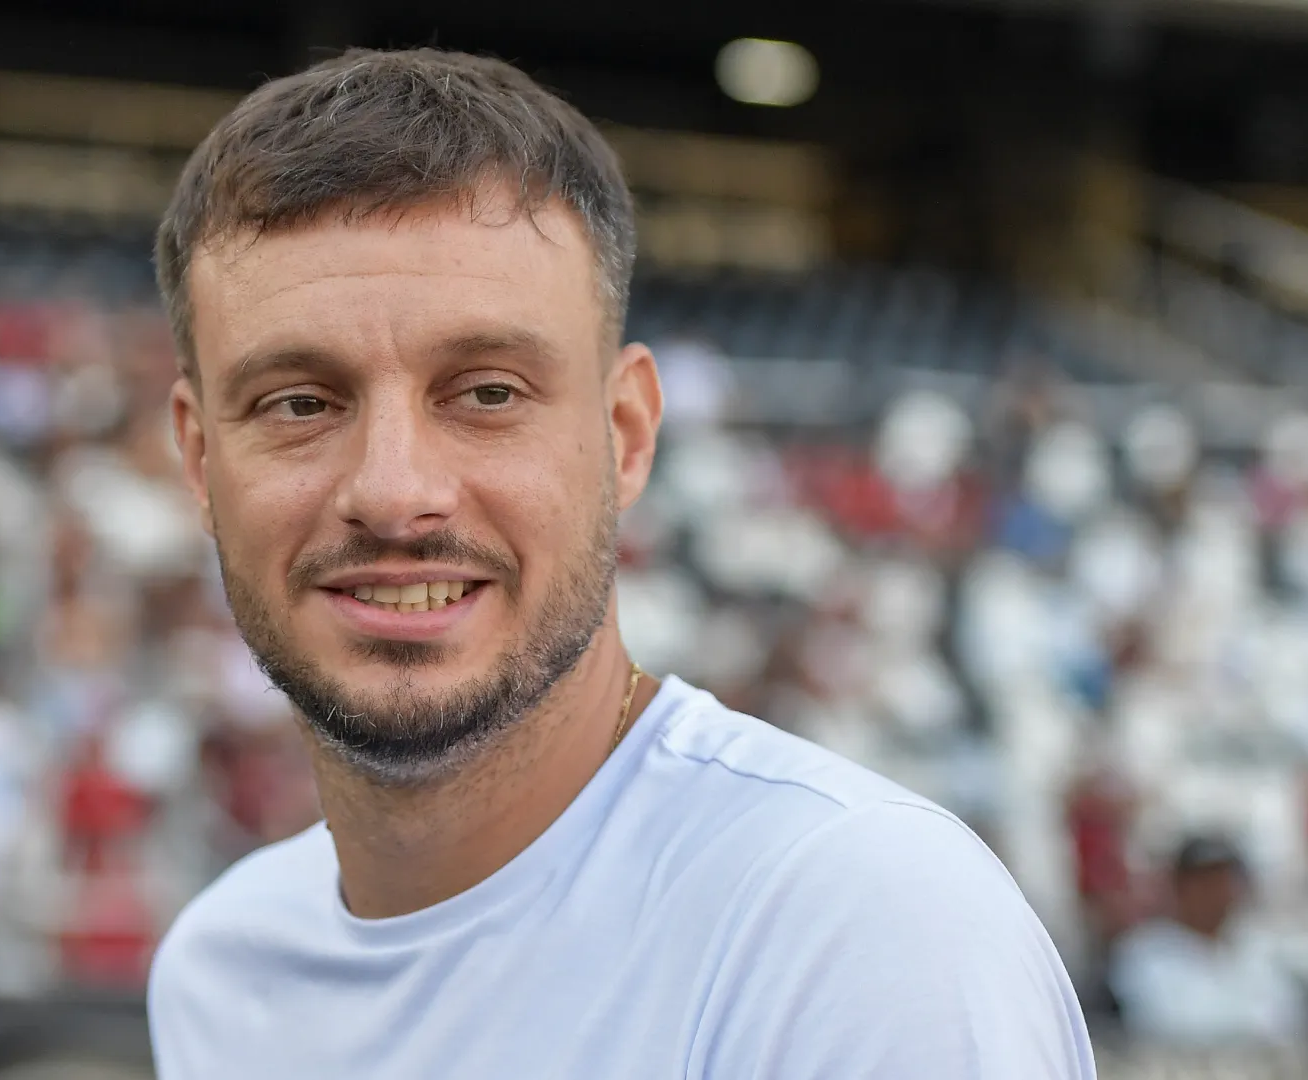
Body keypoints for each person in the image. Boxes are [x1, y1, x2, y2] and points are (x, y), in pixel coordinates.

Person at [144, 47, 1097, 1079]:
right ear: (199, 461)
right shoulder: (219, 973)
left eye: (488, 393)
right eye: (298, 404)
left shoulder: (857, 927)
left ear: (628, 435)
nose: (392, 489)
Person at [1108, 837, 1308, 1046]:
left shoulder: (1262, 950)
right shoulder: (1143, 955)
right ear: (1178, 887)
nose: (1214, 893)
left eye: (1222, 881)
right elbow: (1161, 1029)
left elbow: (1289, 1023)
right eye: (1203, 882)